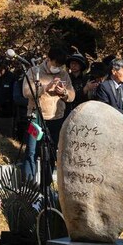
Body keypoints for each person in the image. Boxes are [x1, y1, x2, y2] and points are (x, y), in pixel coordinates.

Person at [22, 47, 75, 181]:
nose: (57, 67)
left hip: (56, 118)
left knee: (50, 153)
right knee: (31, 151)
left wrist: (63, 92)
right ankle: (29, 184)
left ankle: (45, 185)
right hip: (35, 118)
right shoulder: (34, 71)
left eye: (60, 65)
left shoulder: (64, 74)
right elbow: (26, 92)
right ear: (48, 59)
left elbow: (72, 96)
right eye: (55, 64)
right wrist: (46, 87)